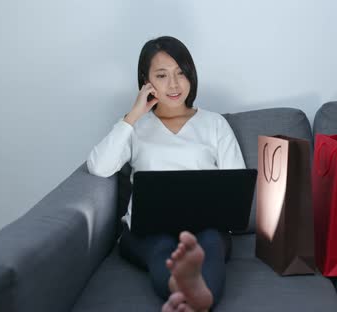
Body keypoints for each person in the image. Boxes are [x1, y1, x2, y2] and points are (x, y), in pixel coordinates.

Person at [86, 36, 245, 311]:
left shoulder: (214, 124)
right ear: (146, 82)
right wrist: (134, 115)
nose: (173, 85)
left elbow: (237, 185)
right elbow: (99, 167)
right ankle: (189, 296)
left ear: (191, 76)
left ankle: (196, 300)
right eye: (162, 75)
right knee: (161, 248)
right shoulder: (135, 126)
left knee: (208, 243)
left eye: (181, 73)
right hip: (146, 231)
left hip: (205, 227)